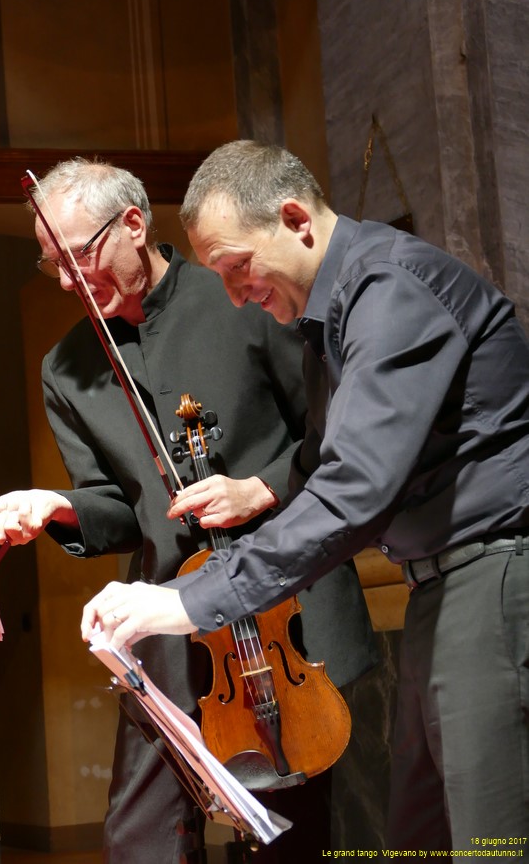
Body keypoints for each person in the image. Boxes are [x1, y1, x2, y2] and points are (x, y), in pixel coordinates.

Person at [83, 140, 529, 856]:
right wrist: (256, 488)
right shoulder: (337, 311)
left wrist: (190, 601)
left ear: (295, 218)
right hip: (442, 587)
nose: (235, 295)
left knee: (492, 841)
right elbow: (322, 457)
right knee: (424, 838)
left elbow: (354, 487)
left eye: (237, 268)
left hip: (494, 579)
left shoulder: (390, 289)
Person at [0, 157, 377, 864]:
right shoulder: (66, 366)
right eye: (53, 266)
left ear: (134, 224)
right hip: (169, 619)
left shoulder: (243, 300)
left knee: (296, 830)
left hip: (287, 611)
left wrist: (259, 487)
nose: (69, 281)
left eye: (79, 257)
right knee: (141, 835)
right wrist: (57, 507)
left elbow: (336, 436)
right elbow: (122, 509)